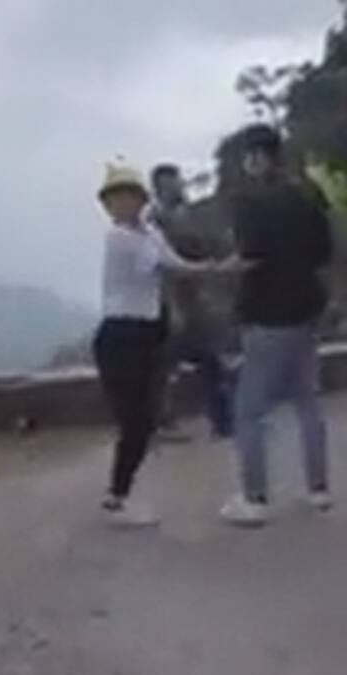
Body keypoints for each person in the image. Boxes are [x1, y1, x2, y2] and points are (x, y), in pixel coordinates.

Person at [220, 125, 335, 527]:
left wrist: (224, 269)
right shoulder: (307, 197)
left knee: (249, 410)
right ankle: (318, 488)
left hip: (268, 317)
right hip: (306, 312)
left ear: (257, 158)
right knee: (307, 401)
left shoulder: (249, 203)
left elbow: (251, 256)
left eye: (249, 157)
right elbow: (324, 254)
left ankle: (255, 497)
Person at [93, 162, 216, 528]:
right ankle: (119, 498)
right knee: (135, 421)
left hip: (147, 334)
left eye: (128, 196)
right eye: (115, 199)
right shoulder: (121, 238)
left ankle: (119, 494)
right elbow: (162, 267)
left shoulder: (148, 234)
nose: (122, 204)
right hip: (120, 335)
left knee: (143, 420)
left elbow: (178, 263)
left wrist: (213, 267)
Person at [148, 163, 235, 441]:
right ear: (161, 187)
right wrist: (172, 306)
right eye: (173, 183)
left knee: (209, 362)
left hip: (194, 299)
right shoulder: (156, 222)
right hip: (171, 302)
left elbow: (202, 249)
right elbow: (161, 267)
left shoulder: (184, 216)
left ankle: (223, 422)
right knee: (168, 366)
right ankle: (161, 422)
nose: (179, 186)